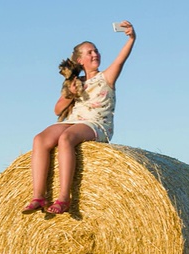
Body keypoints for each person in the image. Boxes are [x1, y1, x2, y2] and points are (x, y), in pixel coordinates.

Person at [22, 20, 136, 215]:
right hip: (72, 121)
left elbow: (120, 60)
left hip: (97, 124)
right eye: (90, 52)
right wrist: (71, 94)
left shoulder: (106, 77)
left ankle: (64, 197)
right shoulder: (75, 82)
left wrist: (132, 38)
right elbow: (58, 110)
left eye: (96, 51)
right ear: (80, 61)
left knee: (66, 139)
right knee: (40, 139)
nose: (95, 54)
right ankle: (38, 196)